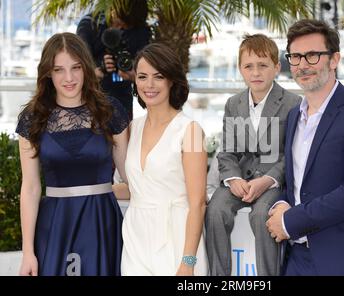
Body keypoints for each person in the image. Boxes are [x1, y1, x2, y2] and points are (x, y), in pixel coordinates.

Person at [266, 19, 344, 275]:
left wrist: (289, 221)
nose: (302, 65)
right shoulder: (294, 115)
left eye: (312, 55)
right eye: (295, 57)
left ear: (334, 60)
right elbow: (296, 181)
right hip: (295, 258)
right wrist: (280, 206)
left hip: (343, 256)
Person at [16, 32, 129, 276]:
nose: (69, 78)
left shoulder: (111, 112)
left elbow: (131, 177)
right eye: (59, 70)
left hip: (102, 223)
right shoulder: (32, 119)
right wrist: (27, 252)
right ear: (48, 73)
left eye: (76, 68)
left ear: (86, 68)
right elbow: (31, 188)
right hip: (55, 224)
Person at [205, 34, 300, 276]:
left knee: (261, 216)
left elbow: (293, 153)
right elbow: (226, 150)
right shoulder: (233, 103)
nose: (255, 72)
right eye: (249, 66)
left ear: (277, 67)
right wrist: (233, 179)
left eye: (263, 65)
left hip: (273, 182)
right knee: (215, 210)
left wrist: (268, 179)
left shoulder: (293, 103)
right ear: (240, 69)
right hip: (240, 179)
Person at [118, 43, 208, 276]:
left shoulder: (190, 130)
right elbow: (138, 187)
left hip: (176, 238)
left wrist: (188, 261)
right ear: (135, 81)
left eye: (158, 76)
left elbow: (198, 202)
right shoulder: (132, 128)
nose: (149, 85)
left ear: (171, 80)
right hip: (136, 236)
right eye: (142, 76)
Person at [76, 0, 151, 118]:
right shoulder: (90, 25)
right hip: (91, 98)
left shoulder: (139, 28)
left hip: (123, 98)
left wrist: (136, 75)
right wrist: (98, 69)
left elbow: (148, 70)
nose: (123, 28)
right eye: (122, 22)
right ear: (114, 9)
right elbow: (78, 68)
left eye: (128, 27)